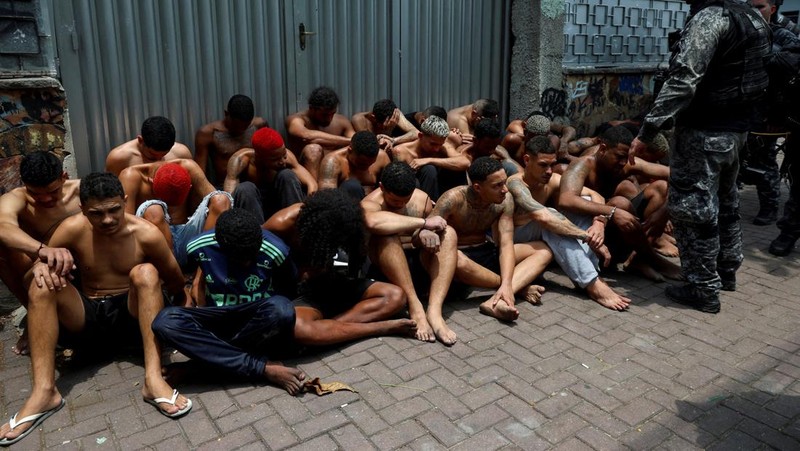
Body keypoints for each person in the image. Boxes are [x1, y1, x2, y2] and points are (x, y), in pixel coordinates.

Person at [0, 173, 191, 447]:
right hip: (86, 318)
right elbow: (34, 273)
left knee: (147, 273)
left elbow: (174, 281)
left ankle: (153, 379)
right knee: (43, 282)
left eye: (114, 210)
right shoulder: (71, 228)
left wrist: (182, 324)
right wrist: (40, 267)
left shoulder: (145, 233)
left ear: (124, 202)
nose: (108, 220)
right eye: (97, 214)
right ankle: (44, 392)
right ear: (82, 210)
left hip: (130, 319)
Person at [629, 0, 770, 313]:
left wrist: (649, 129)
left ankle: (702, 288)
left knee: (693, 210)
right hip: (737, 131)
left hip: (705, 133)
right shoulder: (751, 16)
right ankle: (726, 271)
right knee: (727, 202)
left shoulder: (711, 18)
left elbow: (684, 78)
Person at [152, 209, 306, 395]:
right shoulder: (198, 246)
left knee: (282, 309)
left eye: (252, 256)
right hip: (216, 319)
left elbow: (288, 289)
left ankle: (198, 367)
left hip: (255, 323)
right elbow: (183, 281)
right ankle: (263, 368)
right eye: (239, 259)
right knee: (165, 321)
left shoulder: (276, 249)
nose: (247, 264)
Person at [264, 189, 417, 346]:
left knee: (395, 296)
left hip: (331, 285)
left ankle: (329, 329)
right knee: (299, 328)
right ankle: (377, 328)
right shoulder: (281, 224)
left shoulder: (345, 219)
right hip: (296, 294)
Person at [507, 137, 631, 311]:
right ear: (527, 160)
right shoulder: (516, 183)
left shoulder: (551, 179)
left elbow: (596, 197)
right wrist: (586, 236)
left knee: (584, 203)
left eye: (552, 165)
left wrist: (599, 223)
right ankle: (592, 283)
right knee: (550, 216)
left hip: (537, 234)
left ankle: (592, 271)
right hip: (514, 239)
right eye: (543, 165)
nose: (549, 171)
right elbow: (543, 217)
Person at [430, 157, 552, 322]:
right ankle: (515, 288)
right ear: (478, 187)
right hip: (458, 256)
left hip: (485, 251)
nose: (505, 190)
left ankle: (497, 298)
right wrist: (507, 284)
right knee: (457, 260)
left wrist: (507, 283)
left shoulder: (504, 200)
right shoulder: (452, 199)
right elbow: (428, 231)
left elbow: (506, 243)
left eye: (504, 182)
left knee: (542, 250)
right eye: (497, 186)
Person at [560, 126, 681, 282]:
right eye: (619, 156)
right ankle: (654, 259)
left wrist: (664, 211)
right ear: (603, 149)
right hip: (592, 237)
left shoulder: (627, 163)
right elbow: (566, 199)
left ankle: (637, 260)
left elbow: (676, 176)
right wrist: (612, 211)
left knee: (660, 188)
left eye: (626, 157)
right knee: (620, 203)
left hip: (620, 231)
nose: (623, 162)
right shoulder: (583, 165)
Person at [362, 161, 460, 344]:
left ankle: (434, 311)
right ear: (382, 187)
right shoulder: (369, 203)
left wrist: (424, 234)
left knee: (449, 234)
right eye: (394, 201)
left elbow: (425, 233)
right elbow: (374, 223)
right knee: (387, 235)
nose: (400, 204)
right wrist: (422, 224)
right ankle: (415, 306)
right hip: (385, 273)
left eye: (405, 200)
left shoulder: (421, 199)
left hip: (415, 264)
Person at [0, 152, 80, 355]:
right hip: (40, 268)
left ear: (64, 176)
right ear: (25, 184)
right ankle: (33, 313)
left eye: (53, 191)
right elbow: (2, 227)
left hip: (86, 266)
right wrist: (43, 251)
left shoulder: (81, 191)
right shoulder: (17, 198)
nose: (45, 199)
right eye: (36, 193)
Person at [119, 159, 232, 269]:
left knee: (221, 200)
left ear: (189, 187)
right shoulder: (131, 176)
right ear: (151, 182)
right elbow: (125, 226)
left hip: (190, 237)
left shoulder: (189, 168)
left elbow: (217, 205)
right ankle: (171, 273)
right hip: (156, 243)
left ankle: (206, 269)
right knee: (154, 211)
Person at [224, 127, 317, 223]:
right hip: (251, 210)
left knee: (286, 175)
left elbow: (312, 184)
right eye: (275, 159)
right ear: (259, 157)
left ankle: (297, 224)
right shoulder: (241, 160)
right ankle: (257, 235)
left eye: (283, 155)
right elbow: (228, 198)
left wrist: (309, 207)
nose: (282, 161)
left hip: (279, 206)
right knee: (246, 188)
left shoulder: (287, 158)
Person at [194, 94, 269, 185]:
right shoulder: (208, 133)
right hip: (225, 187)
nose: (241, 130)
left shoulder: (259, 125)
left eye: (246, 126)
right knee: (245, 190)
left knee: (286, 175)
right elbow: (199, 174)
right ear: (226, 114)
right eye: (236, 126)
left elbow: (272, 155)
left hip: (256, 185)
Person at [391, 115, 470, 200]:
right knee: (429, 170)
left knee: (458, 170)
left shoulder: (443, 147)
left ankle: (461, 202)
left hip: (440, 189)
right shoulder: (401, 152)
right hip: (415, 194)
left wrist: (429, 160)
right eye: (433, 144)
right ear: (421, 136)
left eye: (440, 144)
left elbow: (465, 162)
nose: (436, 149)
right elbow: (399, 181)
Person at [286, 86, 356, 180]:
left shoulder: (341, 121)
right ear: (311, 108)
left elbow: (357, 140)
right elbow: (306, 136)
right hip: (305, 174)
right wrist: (351, 141)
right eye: (325, 115)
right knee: (313, 149)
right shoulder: (296, 119)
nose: (329, 118)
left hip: (333, 171)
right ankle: (316, 193)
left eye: (333, 113)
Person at [105, 116, 192, 176]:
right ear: (140, 140)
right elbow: (112, 195)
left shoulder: (182, 153)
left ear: (172, 145)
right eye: (152, 156)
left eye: (163, 156)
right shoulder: (119, 158)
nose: (158, 161)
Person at [318, 131, 391, 200]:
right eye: (361, 163)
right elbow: (326, 198)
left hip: (374, 206)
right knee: (352, 186)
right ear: (350, 151)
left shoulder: (382, 158)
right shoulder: (333, 162)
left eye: (371, 163)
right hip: (345, 207)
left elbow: (393, 187)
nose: (366, 167)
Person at [502, 112, 577, 166]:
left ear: (547, 135)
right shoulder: (513, 140)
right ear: (525, 132)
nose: (536, 143)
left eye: (540, 139)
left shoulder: (553, 141)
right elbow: (500, 160)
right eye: (533, 138)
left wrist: (564, 142)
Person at [351, 99, 420, 148]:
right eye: (382, 125)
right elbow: (368, 144)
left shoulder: (395, 115)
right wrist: (387, 131)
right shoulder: (360, 120)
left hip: (395, 142)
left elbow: (416, 133)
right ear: (373, 117)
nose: (386, 125)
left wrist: (393, 140)